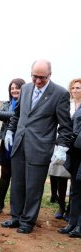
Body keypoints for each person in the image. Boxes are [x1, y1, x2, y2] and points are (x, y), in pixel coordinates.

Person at [1, 59, 72, 234]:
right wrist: (11, 131)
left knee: (33, 187)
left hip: (40, 147)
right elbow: (17, 115)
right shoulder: (25, 89)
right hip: (20, 144)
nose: (38, 81)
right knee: (17, 183)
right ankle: (16, 216)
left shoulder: (60, 94)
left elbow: (65, 125)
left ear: (50, 75)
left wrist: (62, 147)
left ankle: (27, 221)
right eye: (35, 77)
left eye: (42, 77)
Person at [0, 78, 25, 214]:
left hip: (21, 142)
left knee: (18, 175)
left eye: (17, 88)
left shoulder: (26, 105)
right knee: (5, 173)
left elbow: (25, 117)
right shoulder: (6, 103)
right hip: (6, 143)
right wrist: (17, 115)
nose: (14, 90)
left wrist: (12, 115)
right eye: (12, 88)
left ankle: (16, 206)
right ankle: (0, 203)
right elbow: (0, 114)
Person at [58, 78, 81, 237]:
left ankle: (79, 226)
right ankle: (71, 223)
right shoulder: (70, 105)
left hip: (79, 147)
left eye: (78, 88)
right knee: (74, 189)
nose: (75, 90)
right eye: (73, 88)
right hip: (73, 152)